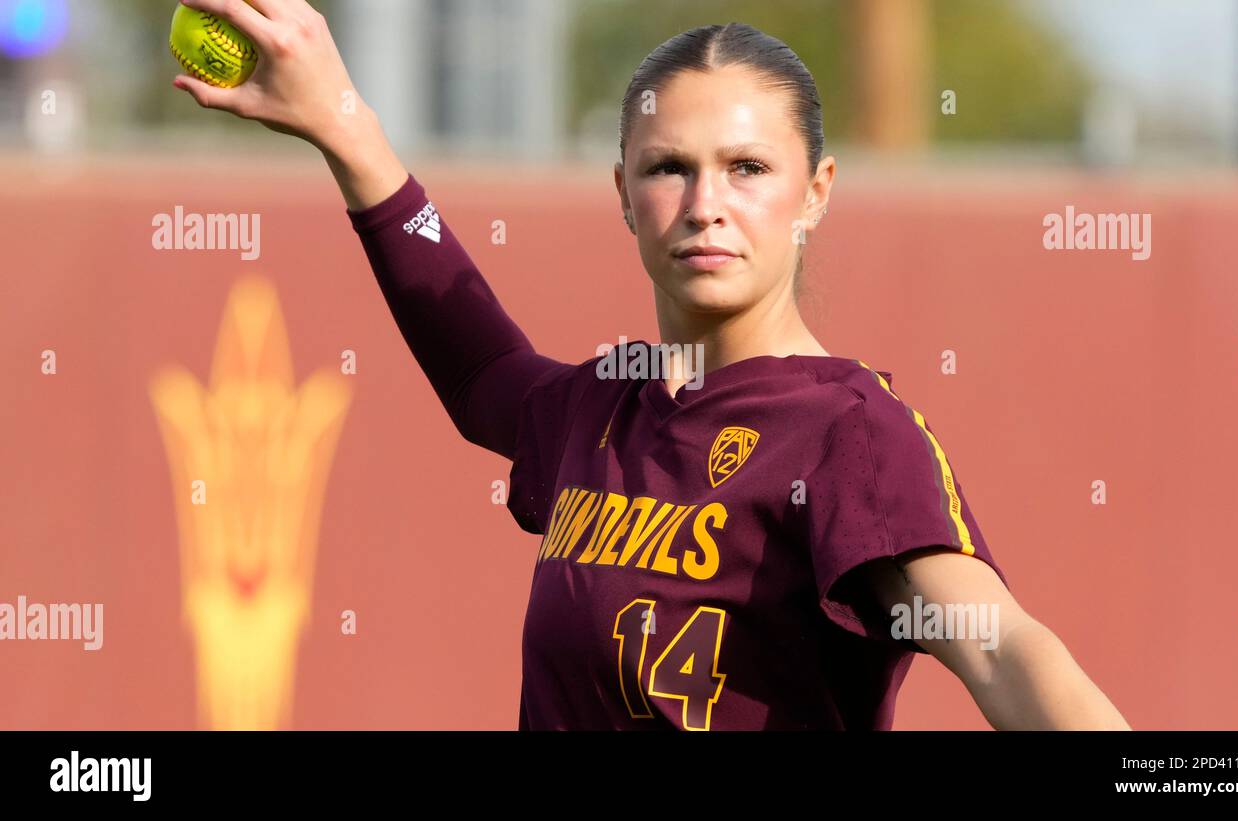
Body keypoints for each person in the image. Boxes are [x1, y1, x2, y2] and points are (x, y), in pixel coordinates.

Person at [173, 0, 1129, 730]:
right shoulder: (597, 409)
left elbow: (1001, 650)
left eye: (749, 168)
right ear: (624, 194)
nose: (706, 202)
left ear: (816, 192)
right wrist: (344, 127)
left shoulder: (847, 431)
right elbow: (478, 369)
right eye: (669, 167)